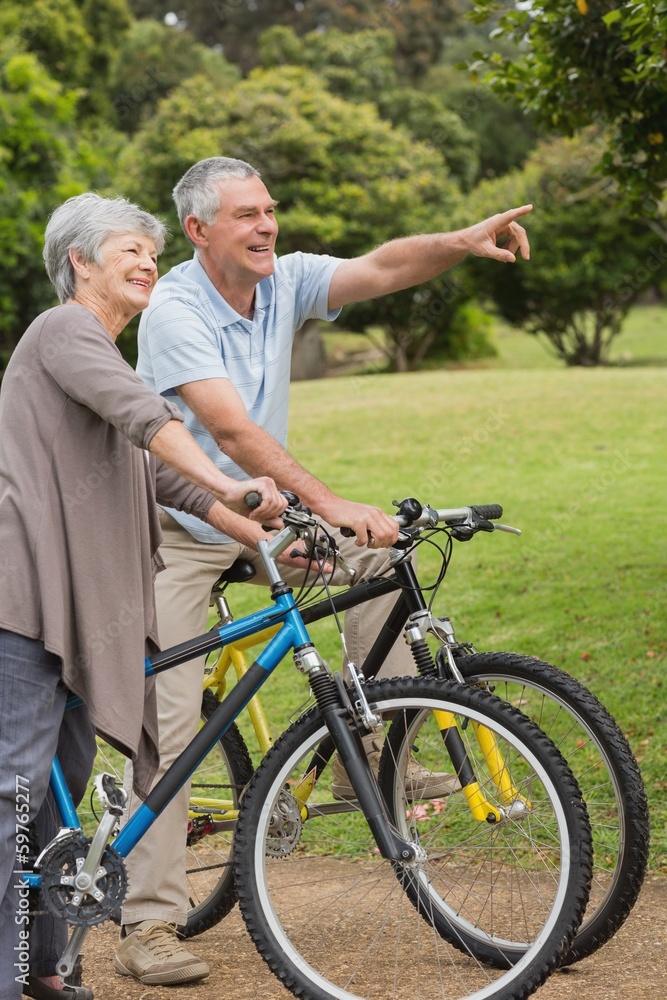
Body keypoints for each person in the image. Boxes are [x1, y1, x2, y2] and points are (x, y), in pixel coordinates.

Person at [117, 157, 532, 986]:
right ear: (199, 232)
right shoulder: (172, 309)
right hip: (178, 523)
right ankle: (148, 923)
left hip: (262, 512)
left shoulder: (285, 279)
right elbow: (228, 432)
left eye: (269, 210)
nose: (266, 225)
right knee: (168, 724)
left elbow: (381, 266)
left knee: (382, 553)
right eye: (245, 215)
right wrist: (328, 501)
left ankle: (364, 752)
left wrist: (458, 240)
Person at [0, 192, 287, 1000]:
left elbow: (153, 471)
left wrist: (250, 523)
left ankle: (45, 968)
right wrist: (230, 478)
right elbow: (146, 423)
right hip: (26, 602)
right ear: (79, 263)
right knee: (15, 799)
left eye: (151, 253)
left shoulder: (100, 352)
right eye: (127, 249)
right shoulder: (65, 330)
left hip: (79, 611)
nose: (146, 262)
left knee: (55, 809)